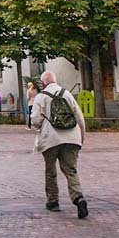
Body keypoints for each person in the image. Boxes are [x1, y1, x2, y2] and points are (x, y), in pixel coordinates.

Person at [31, 71, 88, 219]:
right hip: (72, 137)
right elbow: (79, 117)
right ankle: (78, 197)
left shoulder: (41, 97)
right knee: (71, 170)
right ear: (56, 80)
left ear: (43, 83)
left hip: (51, 138)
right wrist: (81, 138)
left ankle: (53, 201)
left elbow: (35, 121)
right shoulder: (67, 94)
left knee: (50, 171)